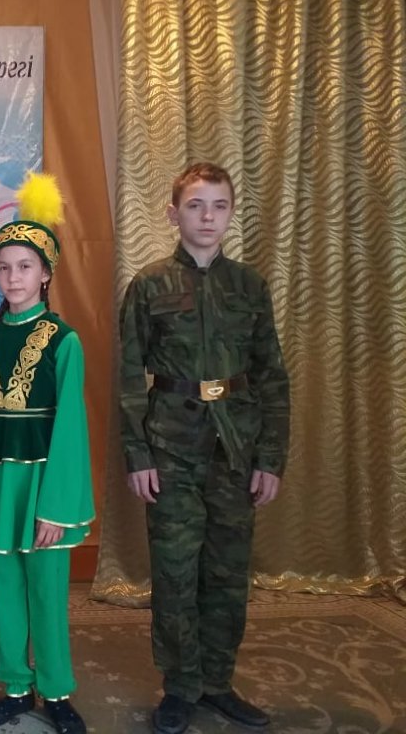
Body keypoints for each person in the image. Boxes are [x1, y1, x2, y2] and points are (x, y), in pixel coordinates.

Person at [119, 162, 290, 734]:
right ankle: (180, 686)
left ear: (231, 214)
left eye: (219, 206)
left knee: (227, 571)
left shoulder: (249, 286)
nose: (208, 216)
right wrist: (138, 455)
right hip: (171, 445)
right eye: (195, 205)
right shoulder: (148, 285)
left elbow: (272, 377)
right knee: (174, 572)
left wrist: (270, 458)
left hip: (235, 447)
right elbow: (128, 378)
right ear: (174, 214)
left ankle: (217, 682)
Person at [0, 173, 94, 734]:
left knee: (47, 589)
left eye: (25, 267)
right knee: (3, 584)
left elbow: (71, 429)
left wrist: (57, 506)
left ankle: (55, 690)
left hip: (42, 484)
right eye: (4, 267)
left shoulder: (63, 340)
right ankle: (14, 684)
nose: (13, 277)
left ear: (46, 274)